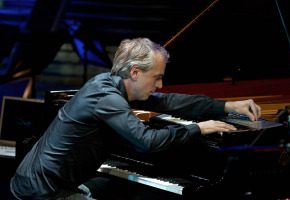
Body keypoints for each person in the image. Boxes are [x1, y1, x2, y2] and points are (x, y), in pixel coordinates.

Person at [10, 37, 261, 200]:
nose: (161, 85)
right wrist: (197, 129)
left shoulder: (111, 84)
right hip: (43, 192)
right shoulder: (106, 98)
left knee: (122, 190)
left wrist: (227, 105)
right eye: (157, 77)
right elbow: (146, 141)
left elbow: (170, 101)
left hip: (44, 183)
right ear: (135, 72)